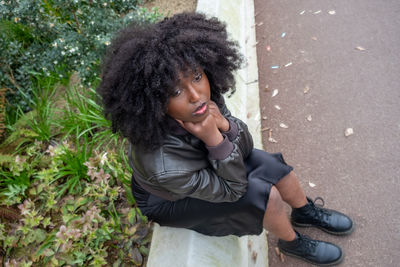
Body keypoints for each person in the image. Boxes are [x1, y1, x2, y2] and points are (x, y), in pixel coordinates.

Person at [97, 12, 353, 266]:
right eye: (175, 90)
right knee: (264, 196)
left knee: (275, 168)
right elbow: (233, 191)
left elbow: (246, 147)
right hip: (171, 198)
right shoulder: (164, 165)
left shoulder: (204, 102)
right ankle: (291, 241)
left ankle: (304, 212)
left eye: (197, 76)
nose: (196, 95)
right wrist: (215, 141)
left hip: (200, 165)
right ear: (154, 100)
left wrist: (225, 126)